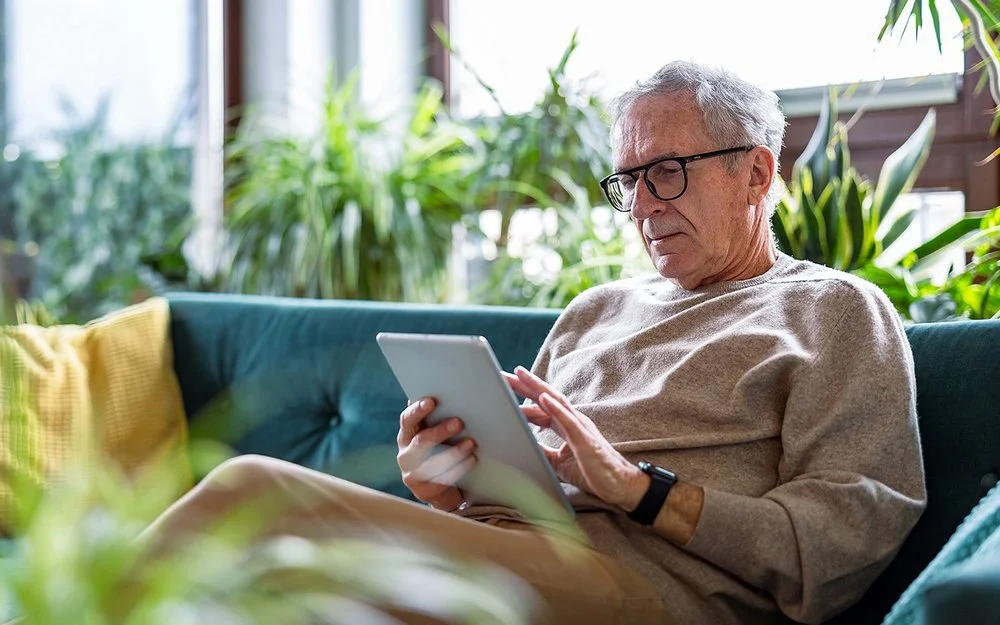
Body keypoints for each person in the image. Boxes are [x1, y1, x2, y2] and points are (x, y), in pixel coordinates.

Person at [140, 60, 926, 625]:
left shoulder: (835, 312)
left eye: (670, 172)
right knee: (259, 589)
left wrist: (639, 488)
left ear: (757, 173)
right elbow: (522, 494)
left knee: (254, 494)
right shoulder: (596, 309)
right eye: (629, 180)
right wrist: (444, 484)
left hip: (645, 587)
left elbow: (838, 548)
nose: (645, 205)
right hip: (516, 558)